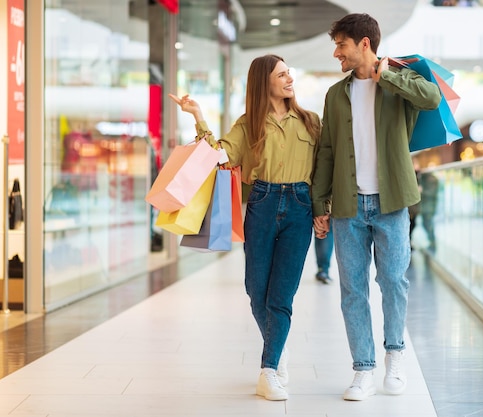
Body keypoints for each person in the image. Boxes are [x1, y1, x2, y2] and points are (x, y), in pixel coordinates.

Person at [169, 54, 321, 401]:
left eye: (289, 73)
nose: (289, 79)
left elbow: (323, 170)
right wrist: (198, 117)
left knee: (281, 296)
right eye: (282, 74)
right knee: (256, 292)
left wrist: (323, 209)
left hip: (299, 206)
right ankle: (278, 348)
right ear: (263, 82)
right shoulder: (248, 125)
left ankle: (268, 370)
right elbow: (219, 155)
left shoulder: (312, 123)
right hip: (262, 205)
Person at [311, 13, 441, 401]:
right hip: (349, 206)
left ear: (364, 44)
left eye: (342, 45)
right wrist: (320, 202)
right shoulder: (336, 94)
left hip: (392, 202)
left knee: (393, 282)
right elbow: (328, 150)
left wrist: (389, 77)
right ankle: (363, 368)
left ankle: (395, 355)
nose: (337, 53)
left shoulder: (399, 80)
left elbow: (431, 99)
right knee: (352, 289)